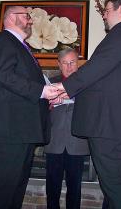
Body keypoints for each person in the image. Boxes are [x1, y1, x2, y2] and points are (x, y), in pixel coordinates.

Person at [53, 0, 121, 209]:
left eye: (107, 10)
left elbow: (97, 67)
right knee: (114, 186)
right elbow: (105, 73)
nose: (104, 15)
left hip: (110, 125)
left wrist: (64, 86)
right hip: (113, 124)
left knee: (116, 185)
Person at [0, 6, 59, 209]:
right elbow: (3, 75)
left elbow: (20, 84)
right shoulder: (2, 41)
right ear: (11, 18)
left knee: (14, 190)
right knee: (1, 192)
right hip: (8, 131)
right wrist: (42, 92)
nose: (30, 21)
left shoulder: (20, 46)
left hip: (19, 132)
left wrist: (46, 97)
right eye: (26, 16)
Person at [44, 48, 90, 209]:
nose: (69, 67)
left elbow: (93, 110)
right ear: (59, 65)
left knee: (74, 188)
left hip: (76, 143)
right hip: (54, 142)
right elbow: (38, 111)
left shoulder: (87, 84)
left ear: (78, 64)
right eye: (65, 63)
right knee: (52, 187)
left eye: (72, 62)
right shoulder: (49, 83)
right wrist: (48, 106)